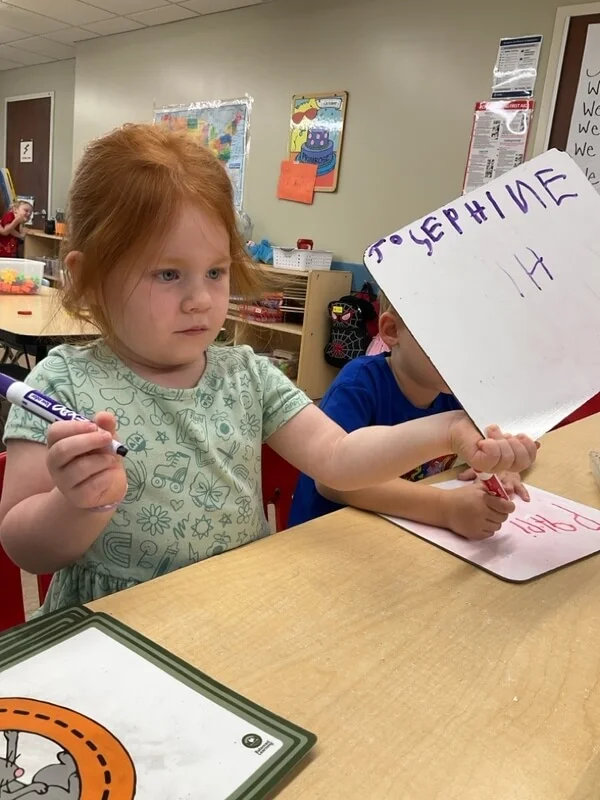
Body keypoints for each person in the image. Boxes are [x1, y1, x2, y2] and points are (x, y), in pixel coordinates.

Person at [0, 125, 538, 615]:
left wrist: (444, 430)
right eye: (168, 274)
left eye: (215, 272)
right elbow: (23, 546)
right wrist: (76, 506)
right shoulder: (62, 383)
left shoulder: (245, 374)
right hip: (119, 627)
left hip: (237, 608)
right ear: (90, 278)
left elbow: (338, 459)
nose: (200, 300)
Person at [289, 294, 529, 538]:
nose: (466, 355)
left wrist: (502, 463)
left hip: (402, 533)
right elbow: (332, 483)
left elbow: (488, 440)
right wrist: (444, 508)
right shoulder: (357, 385)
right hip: (330, 538)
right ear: (392, 330)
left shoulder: (455, 392)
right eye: (449, 336)